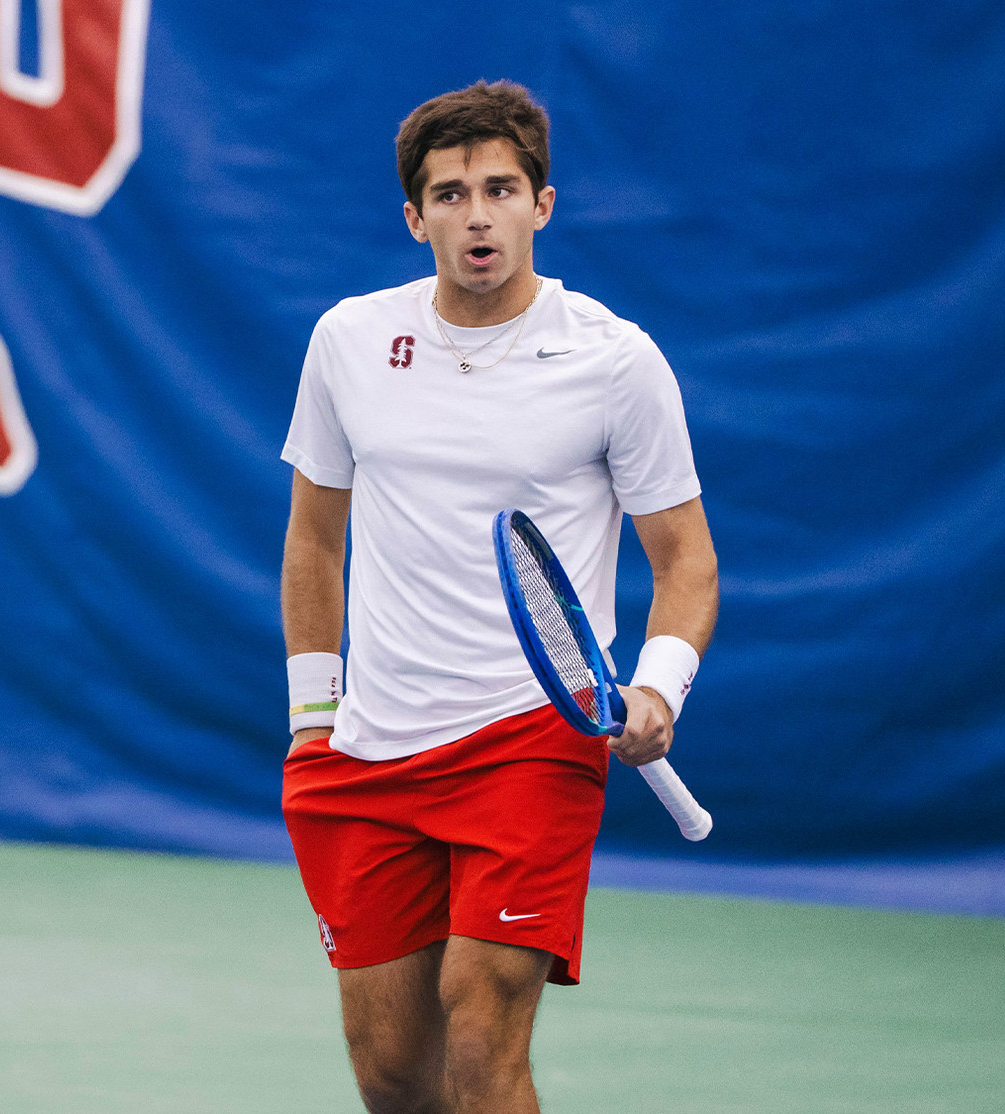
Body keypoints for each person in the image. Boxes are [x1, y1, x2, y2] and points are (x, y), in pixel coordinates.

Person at [278, 80, 719, 1113]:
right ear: (414, 216)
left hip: (531, 740)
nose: (477, 214)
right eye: (450, 193)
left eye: (500, 188)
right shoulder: (348, 341)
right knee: (393, 1071)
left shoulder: (616, 362)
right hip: (371, 748)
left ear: (542, 205)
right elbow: (312, 537)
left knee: (480, 1041)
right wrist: (312, 716)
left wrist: (659, 687)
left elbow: (685, 560)